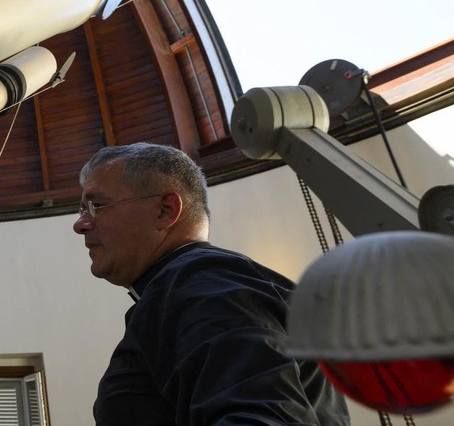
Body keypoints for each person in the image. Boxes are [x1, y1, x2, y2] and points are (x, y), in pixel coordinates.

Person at [73, 142, 349, 425]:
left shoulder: (199, 280)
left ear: (165, 210)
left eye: (96, 206)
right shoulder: (190, 286)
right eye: (82, 210)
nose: (80, 224)